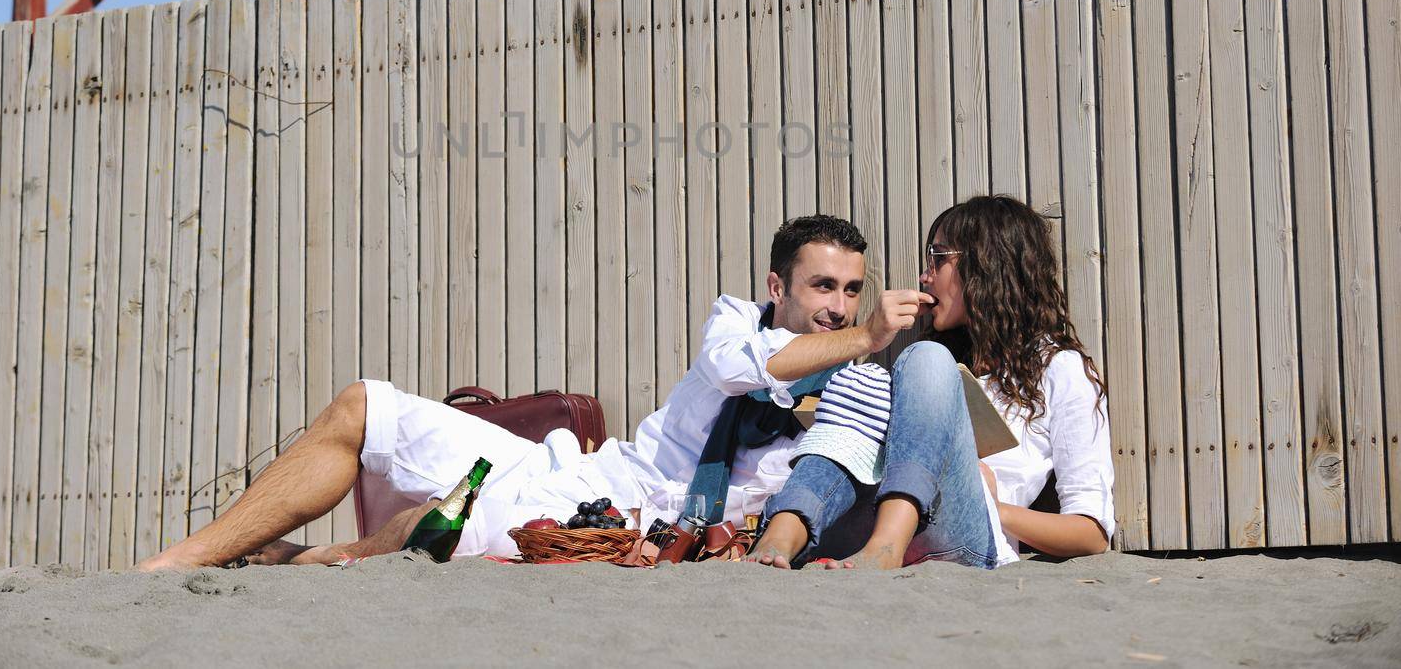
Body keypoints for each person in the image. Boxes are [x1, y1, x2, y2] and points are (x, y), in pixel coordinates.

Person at [137, 214, 928, 570]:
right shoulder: (738, 323)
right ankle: (179, 560)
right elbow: (739, 371)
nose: (839, 301)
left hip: (614, 525)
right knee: (361, 404)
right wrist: (860, 339)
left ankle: (310, 561)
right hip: (580, 470)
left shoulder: (858, 388)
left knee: (438, 524)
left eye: (853, 289)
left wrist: (859, 366)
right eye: (823, 284)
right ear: (775, 286)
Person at [749, 195, 1114, 570]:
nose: (925, 277)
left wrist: (993, 505)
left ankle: (885, 546)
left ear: (986, 266)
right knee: (866, 379)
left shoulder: (1059, 368)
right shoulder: (942, 358)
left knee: (925, 358)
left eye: (938, 259)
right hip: (869, 521)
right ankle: (782, 534)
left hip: (964, 536)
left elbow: (1092, 534)